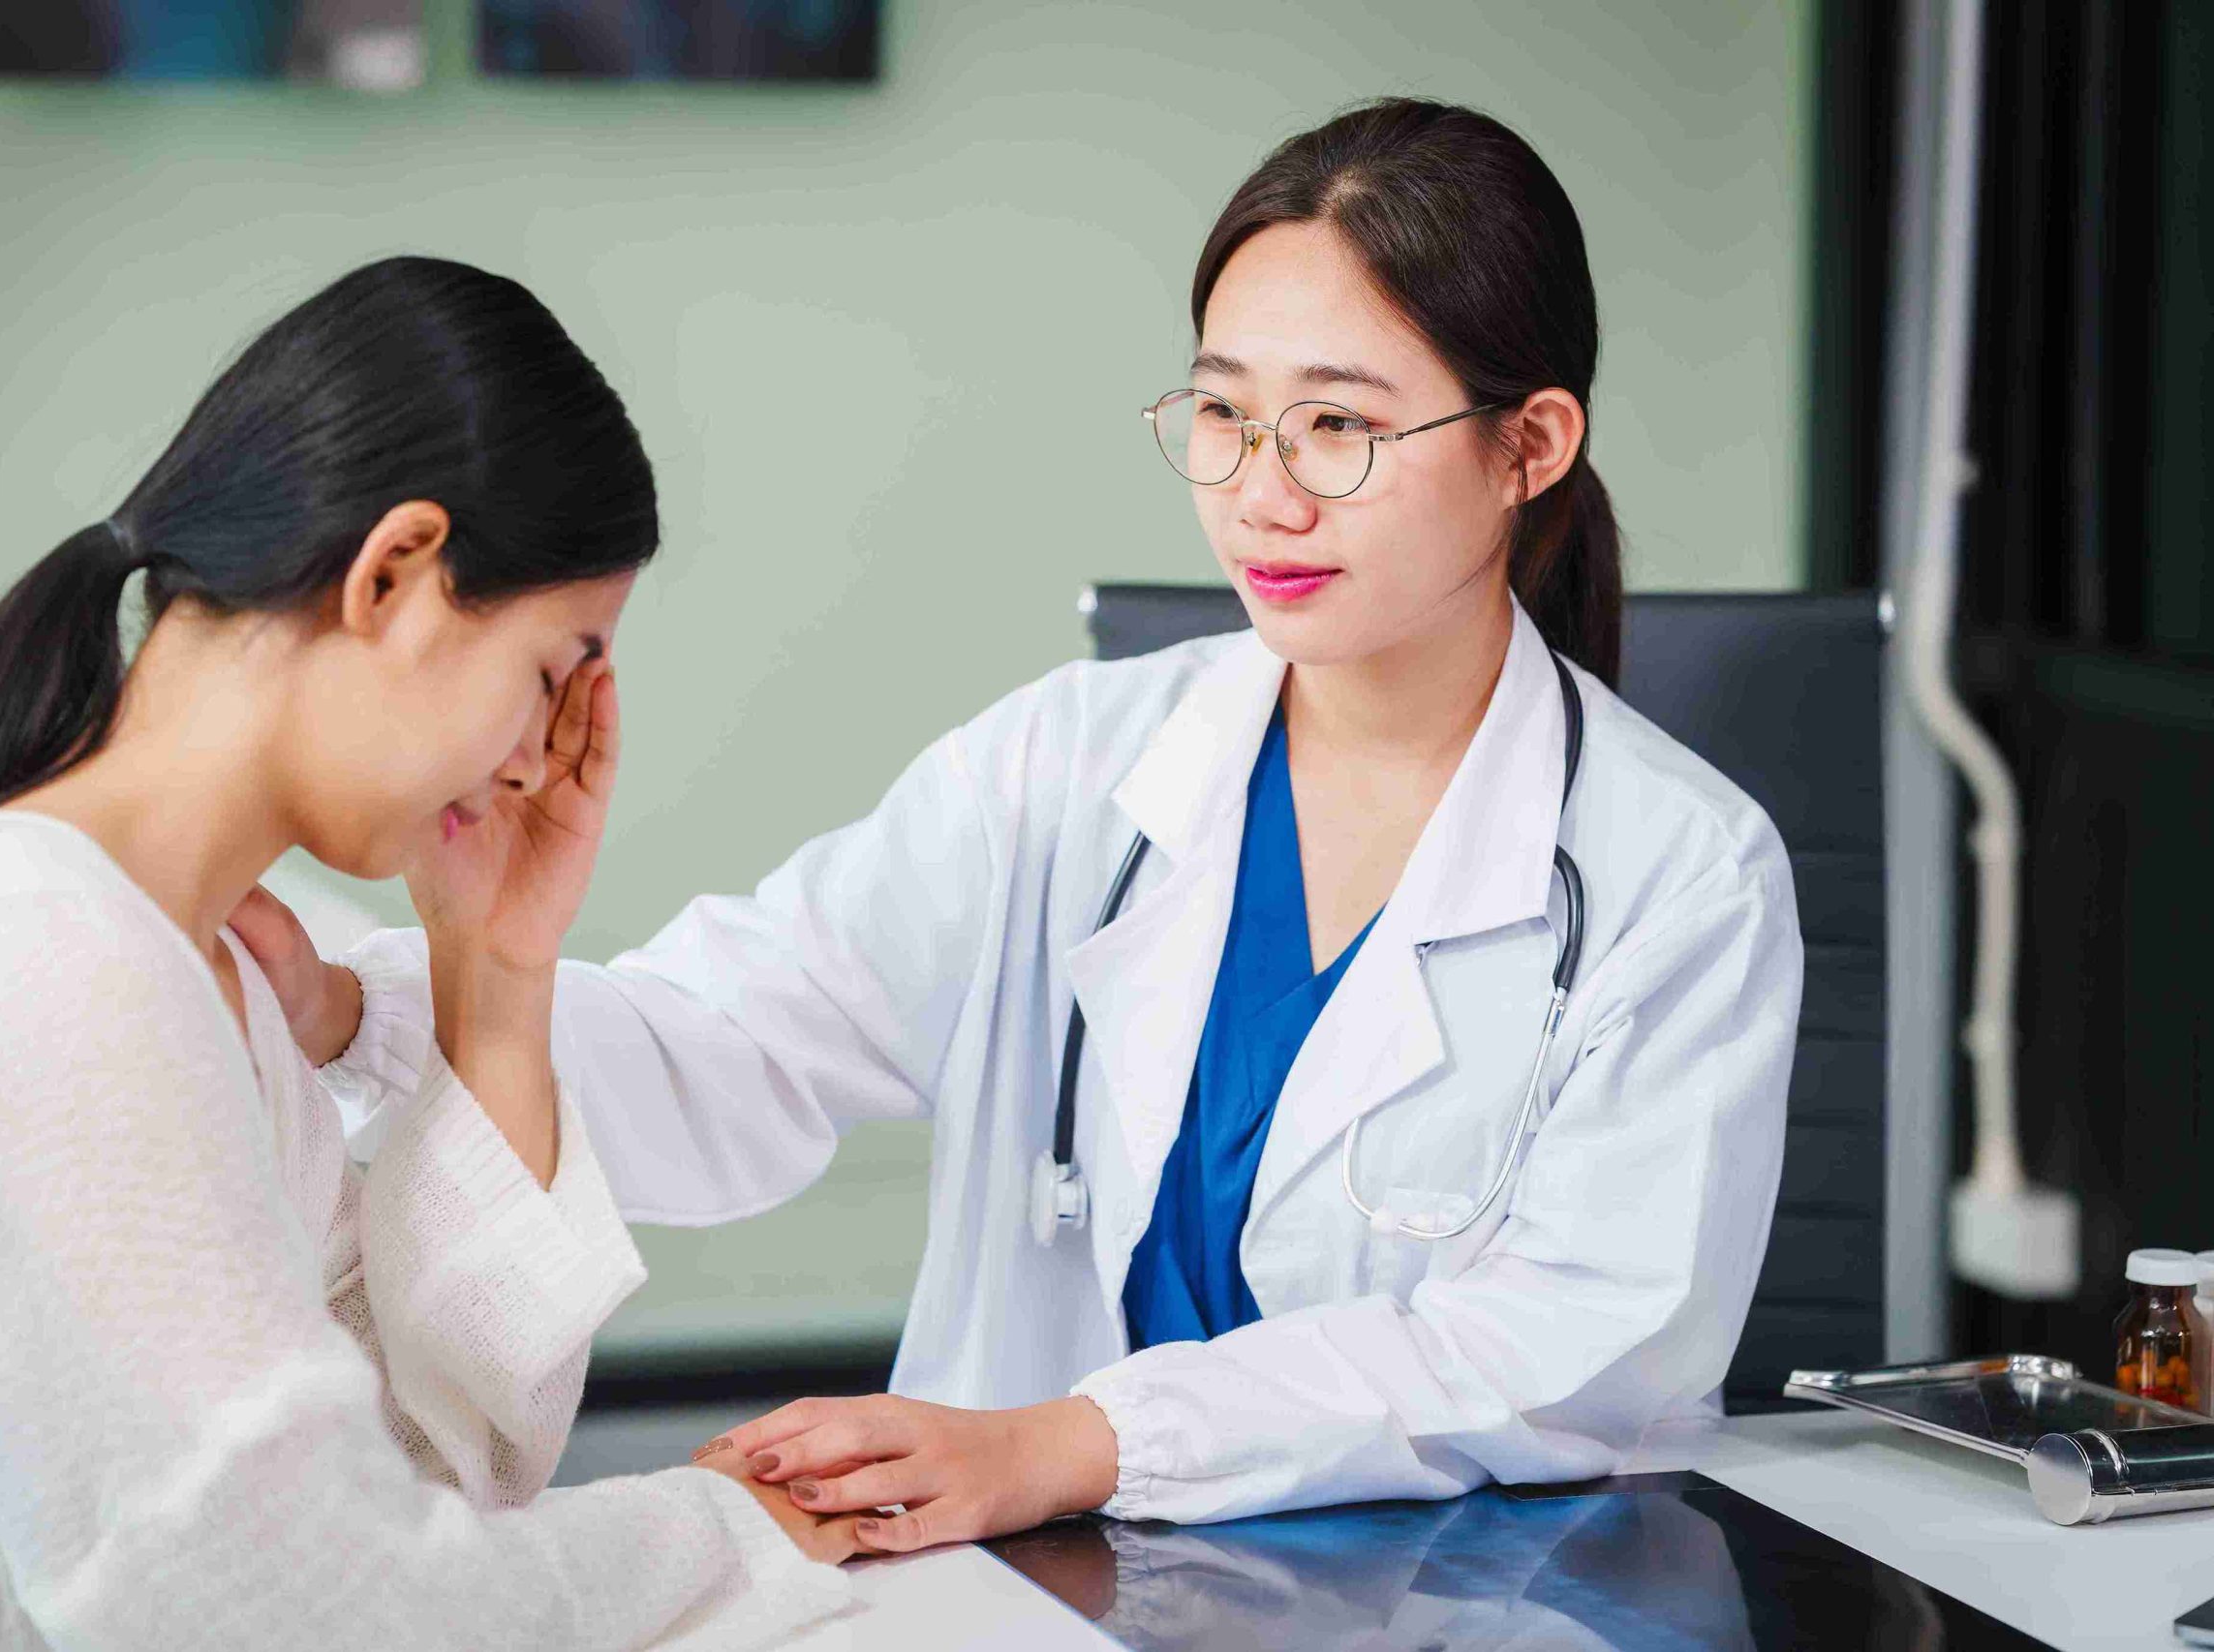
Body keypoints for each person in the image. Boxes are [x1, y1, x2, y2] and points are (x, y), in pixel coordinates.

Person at [261, 99, 1804, 1552]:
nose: (1261, 496)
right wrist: (357, 1006)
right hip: (1023, 1590)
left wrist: (1072, 1441)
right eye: (1222, 413)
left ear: (1528, 446)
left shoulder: (1681, 874)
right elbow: (729, 1042)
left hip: (1445, 1603)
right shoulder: (1070, 766)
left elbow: (1565, 1353)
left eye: (1337, 428)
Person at [0, 257, 859, 1651]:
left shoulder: (203, 974)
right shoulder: (39, 972)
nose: (537, 760)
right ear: (394, 574)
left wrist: (495, 974)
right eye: (551, 673)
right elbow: (338, 1617)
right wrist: (722, 1529)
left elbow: (418, 1486)